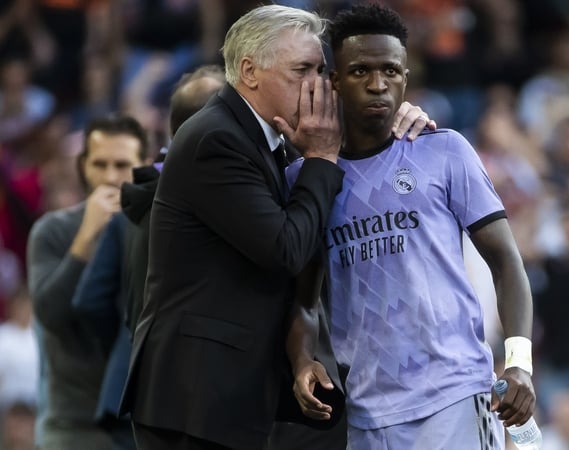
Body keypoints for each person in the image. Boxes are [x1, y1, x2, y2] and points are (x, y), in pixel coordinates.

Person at [119, 5, 432, 449]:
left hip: (221, 394)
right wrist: (320, 158)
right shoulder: (218, 139)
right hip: (194, 396)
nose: (318, 84)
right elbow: (286, 249)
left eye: (320, 70)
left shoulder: (265, 138)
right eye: (302, 70)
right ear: (249, 71)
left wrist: (400, 117)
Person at [287, 4, 536, 449]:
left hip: (454, 392)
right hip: (366, 410)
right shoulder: (307, 178)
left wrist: (519, 361)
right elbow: (304, 300)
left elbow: (505, 261)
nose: (377, 84)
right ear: (335, 80)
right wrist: (302, 360)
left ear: (405, 76)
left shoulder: (444, 151)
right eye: (360, 71)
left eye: (390, 71)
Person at [69, 65, 226, 450]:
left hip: (136, 388)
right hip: (189, 398)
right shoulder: (219, 198)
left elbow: (92, 301)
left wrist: (130, 343)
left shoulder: (136, 201)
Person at [26, 114, 148, 450]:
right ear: (83, 166)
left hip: (140, 424)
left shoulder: (156, 231)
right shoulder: (53, 230)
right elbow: (50, 315)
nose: (110, 177)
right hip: (73, 425)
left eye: (122, 165)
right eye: (99, 164)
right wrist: (87, 235)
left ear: (143, 165)